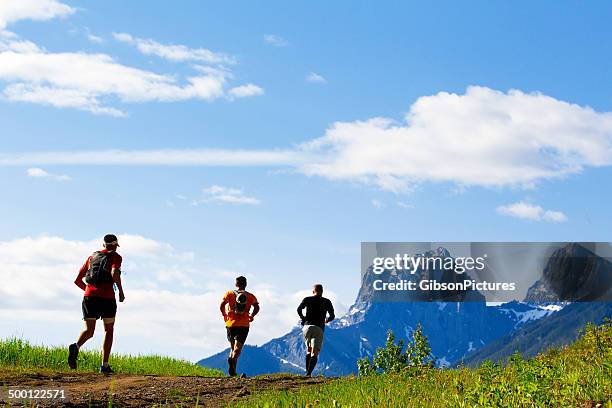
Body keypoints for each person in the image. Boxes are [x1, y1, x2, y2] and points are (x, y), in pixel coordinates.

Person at [68, 234, 125, 374]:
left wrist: (90, 290)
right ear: (115, 245)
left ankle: (76, 346)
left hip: (89, 297)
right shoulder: (116, 257)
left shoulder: (92, 257)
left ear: (103, 245)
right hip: (107, 298)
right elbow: (114, 273)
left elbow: (77, 280)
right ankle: (104, 366)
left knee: (89, 331)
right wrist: (121, 292)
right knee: (108, 330)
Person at [219, 276, 259, 377]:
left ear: (236, 284)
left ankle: (233, 371)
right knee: (237, 349)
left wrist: (225, 315)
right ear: (246, 284)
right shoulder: (250, 296)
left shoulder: (229, 294)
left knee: (232, 348)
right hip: (243, 325)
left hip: (230, 325)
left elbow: (222, 305)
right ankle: (232, 361)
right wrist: (252, 316)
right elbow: (257, 307)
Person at [297, 284, 335, 376]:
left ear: (313, 291)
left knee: (309, 350)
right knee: (315, 352)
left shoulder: (307, 299)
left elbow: (299, 309)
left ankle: (307, 372)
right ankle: (309, 373)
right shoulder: (327, 301)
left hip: (307, 327)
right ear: (322, 291)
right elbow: (332, 316)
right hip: (318, 328)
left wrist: (303, 318)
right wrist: (327, 320)